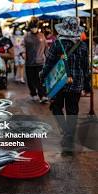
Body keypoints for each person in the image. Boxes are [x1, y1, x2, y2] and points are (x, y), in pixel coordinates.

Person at [40, 17, 90, 156]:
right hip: (76, 83)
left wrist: (43, 76)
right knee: (72, 110)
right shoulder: (83, 45)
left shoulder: (57, 44)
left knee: (55, 106)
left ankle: (66, 132)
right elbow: (86, 68)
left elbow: (49, 63)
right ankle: (69, 138)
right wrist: (87, 84)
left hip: (59, 83)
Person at [24, 17, 48, 103]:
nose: (34, 29)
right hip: (29, 62)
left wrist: (47, 57)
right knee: (30, 79)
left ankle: (43, 95)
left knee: (40, 80)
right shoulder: (26, 36)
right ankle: (33, 93)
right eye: (32, 27)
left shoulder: (42, 36)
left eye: (35, 27)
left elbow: (46, 48)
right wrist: (23, 54)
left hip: (40, 62)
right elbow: (22, 47)